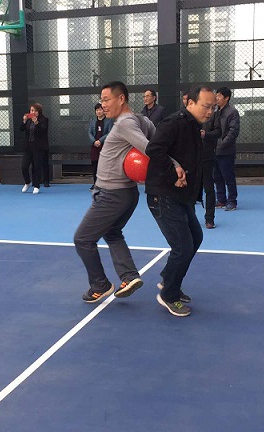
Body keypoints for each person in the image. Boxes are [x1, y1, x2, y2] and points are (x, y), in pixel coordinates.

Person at [74, 81, 154, 303]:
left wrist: (174, 166)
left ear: (121, 99)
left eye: (106, 99)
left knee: (82, 239)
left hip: (112, 195)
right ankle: (129, 276)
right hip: (126, 193)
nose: (103, 105)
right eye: (101, 100)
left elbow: (152, 149)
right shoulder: (141, 120)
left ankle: (100, 285)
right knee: (112, 232)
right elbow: (158, 141)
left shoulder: (125, 123)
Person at [145, 85, 216, 317]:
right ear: (190, 103)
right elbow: (154, 150)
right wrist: (172, 172)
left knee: (195, 238)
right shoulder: (174, 123)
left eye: (213, 107)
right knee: (182, 247)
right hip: (163, 195)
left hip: (182, 197)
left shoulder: (195, 126)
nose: (210, 111)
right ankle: (168, 295)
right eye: (206, 106)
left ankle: (169, 279)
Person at [212, 87, 240, 211]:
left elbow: (233, 131)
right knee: (217, 176)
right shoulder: (215, 111)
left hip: (226, 150)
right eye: (216, 95)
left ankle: (232, 201)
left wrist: (222, 144)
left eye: (219, 96)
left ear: (226, 98)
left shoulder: (232, 112)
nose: (216, 98)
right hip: (214, 150)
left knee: (228, 177)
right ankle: (221, 200)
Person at [19, 103, 49, 194]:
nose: (33, 112)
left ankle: (36, 185)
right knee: (24, 166)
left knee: (37, 166)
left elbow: (43, 131)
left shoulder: (44, 120)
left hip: (38, 147)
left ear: (39, 112)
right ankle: (27, 182)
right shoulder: (28, 120)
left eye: (35, 111)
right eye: (31, 110)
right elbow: (21, 129)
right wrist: (24, 121)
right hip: (28, 147)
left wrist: (37, 123)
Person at [87, 102, 113, 190]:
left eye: (100, 110)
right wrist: (94, 141)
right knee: (94, 165)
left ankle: (104, 184)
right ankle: (95, 183)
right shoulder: (92, 121)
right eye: (97, 110)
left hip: (104, 146)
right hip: (94, 147)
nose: (99, 112)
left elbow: (110, 132)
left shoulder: (109, 121)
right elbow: (89, 133)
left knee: (104, 165)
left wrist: (100, 141)